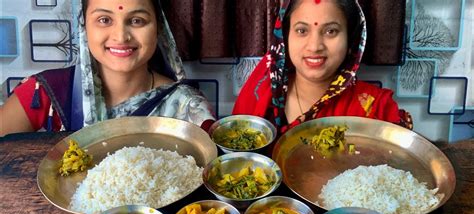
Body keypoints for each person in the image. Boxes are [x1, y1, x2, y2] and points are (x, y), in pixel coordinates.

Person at [0, 0, 215, 137]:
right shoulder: (46, 92)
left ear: (159, 28)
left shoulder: (187, 107)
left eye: (137, 20)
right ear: (84, 25)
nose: (121, 36)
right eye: (104, 20)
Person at [233, 0, 412, 134]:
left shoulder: (376, 110)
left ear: (351, 41)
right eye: (302, 30)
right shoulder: (259, 94)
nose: (315, 46)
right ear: (285, 38)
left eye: (331, 31)